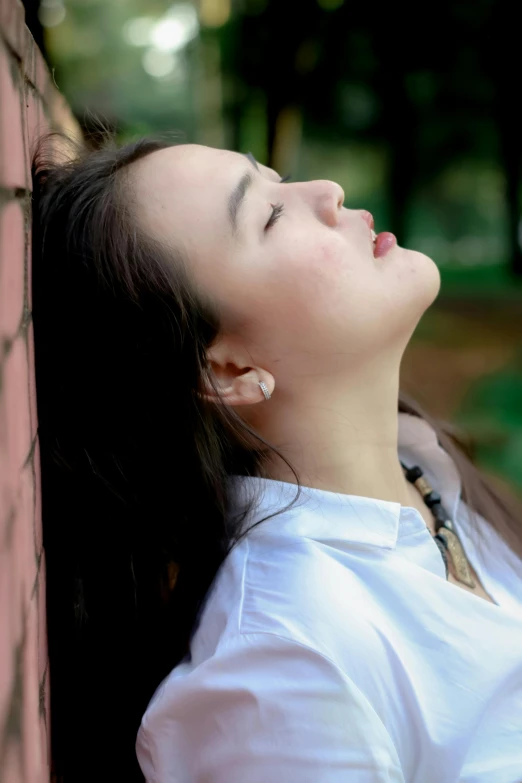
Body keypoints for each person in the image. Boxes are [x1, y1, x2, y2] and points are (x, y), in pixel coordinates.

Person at [31, 134, 522, 783]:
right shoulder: (285, 667)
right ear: (229, 368)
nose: (327, 192)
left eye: (277, 178)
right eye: (267, 214)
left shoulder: (425, 476)